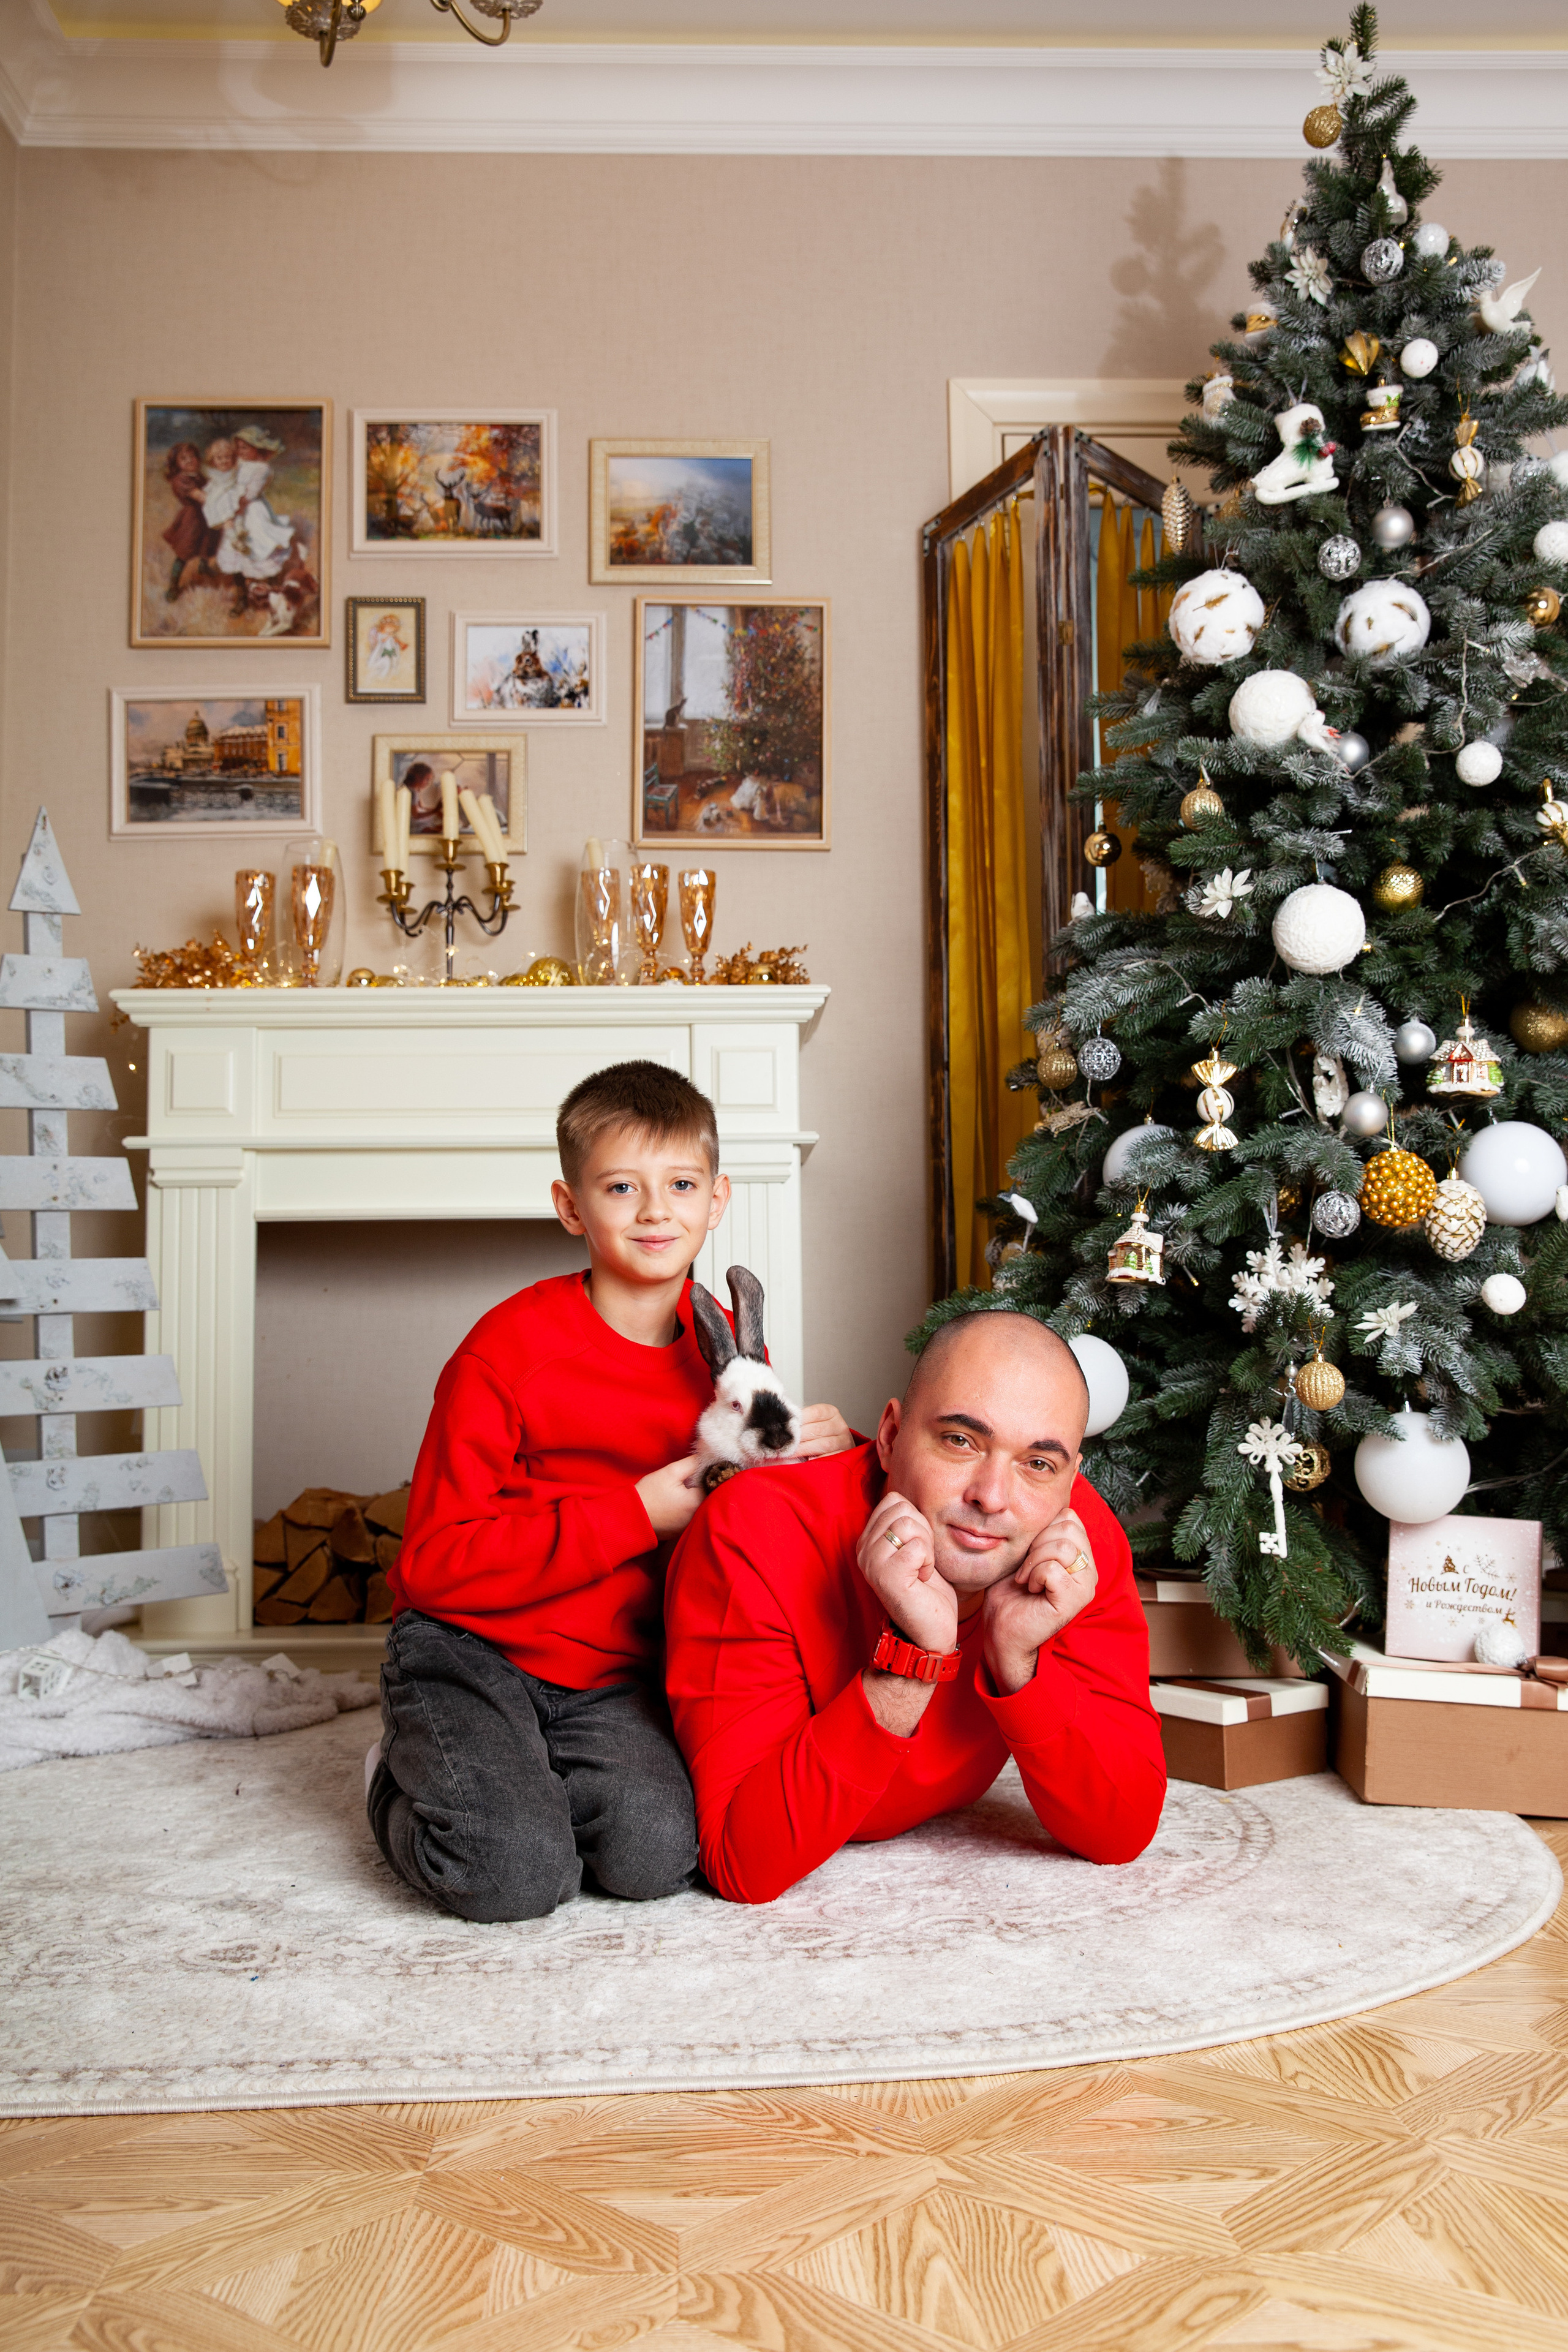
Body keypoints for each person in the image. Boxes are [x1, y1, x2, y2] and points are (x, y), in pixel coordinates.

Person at [368, 1060, 854, 1922]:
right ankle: (401, 1782)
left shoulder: (729, 1360)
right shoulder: (505, 1354)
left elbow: (752, 1522)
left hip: (613, 1670)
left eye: (680, 1185)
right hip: (471, 1646)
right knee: (513, 1875)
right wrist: (634, 1514)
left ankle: (523, 1773)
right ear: (571, 1207)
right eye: (622, 1187)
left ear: (718, 1198)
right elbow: (435, 1564)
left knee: (657, 1856)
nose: (656, 1211)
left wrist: (822, 1454)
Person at [663, 1310, 1165, 1905]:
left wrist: (1021, 1665)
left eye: (1038, 1464)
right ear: (892, 1436)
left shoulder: (1073, 1545)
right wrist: (909, 1661)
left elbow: (1122, 1829)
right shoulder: (753, 1528)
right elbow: (741, 1862)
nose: (992, 1497)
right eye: (960, 1440)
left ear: (1069, 1477)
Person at [159, 442, 217, 600]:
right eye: (184, 458)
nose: (190, 460)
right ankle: (173, 587)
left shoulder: (198, 476)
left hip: (205, 517)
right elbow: (202, 497)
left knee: (207, 542)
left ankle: (204, 566)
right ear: (176, 464)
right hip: (192, 521)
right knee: (185, 552)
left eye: (193, 456)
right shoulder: (181, 480)